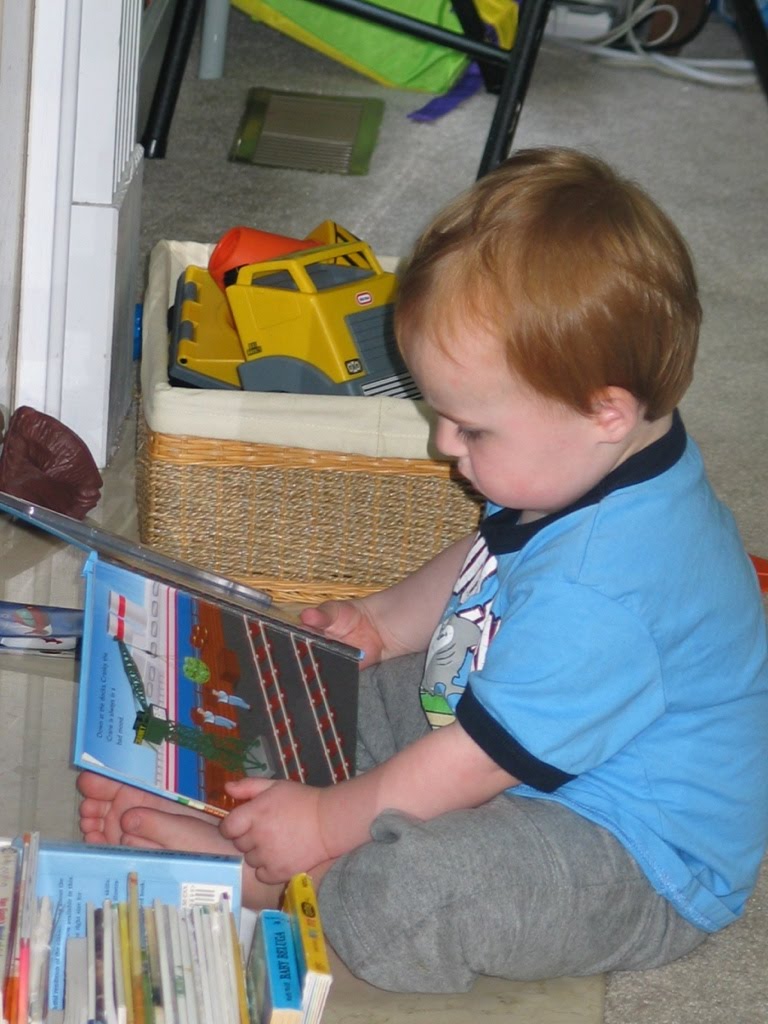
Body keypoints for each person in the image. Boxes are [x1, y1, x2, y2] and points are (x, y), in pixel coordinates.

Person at [78, 147, 768, 993]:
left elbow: (480, 758)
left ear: (605, 411)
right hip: (521, 717)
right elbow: (496, 551)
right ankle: (259, 809)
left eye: (470, 429)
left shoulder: (609, 588)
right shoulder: (584, 457)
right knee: (342, 696)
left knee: (407, 895)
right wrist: (382, 620)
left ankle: (274, 873)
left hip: (627, 846)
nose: (445, 446)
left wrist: (330, 825)